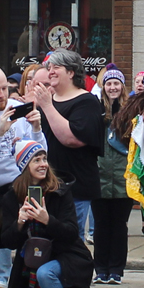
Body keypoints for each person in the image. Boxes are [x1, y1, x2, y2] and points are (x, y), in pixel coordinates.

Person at [0, 140, 93, 288]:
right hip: (33, 264)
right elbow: (8, 241)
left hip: (67, 259)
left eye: (44, 159)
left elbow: (71, 234)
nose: (43, 164)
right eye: (36, 160)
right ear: (25, 166)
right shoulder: (12, 197)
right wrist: (20, 223)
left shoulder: (59, 191)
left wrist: (47, 220)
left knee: (45, 273)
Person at [0, 65, 46, 277]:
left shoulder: (17, 108)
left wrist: (36, 129)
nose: (1, 95)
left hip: (19, 192)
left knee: (33, 253)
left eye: (4, 89)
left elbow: (41, 157)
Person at [34, 49, 104, 241]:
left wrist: (47, 107)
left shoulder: (87, 102)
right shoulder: (47, 100)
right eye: (49, 68)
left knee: (69, 241)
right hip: (47, 184)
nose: (51, 72)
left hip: (75, 186)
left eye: (56, 67)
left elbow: (72, 139)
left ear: (72, 72)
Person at [91, 64, 133, 285]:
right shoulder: (96, 110)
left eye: (116, 83)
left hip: (123, 175)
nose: (113, 87)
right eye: (109, 83)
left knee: (119, 226)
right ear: (103, 86)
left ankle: (116, 269)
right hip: (99, 175)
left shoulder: (129, 110)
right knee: (100, 226)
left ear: (122, 86)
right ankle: (101, 269)